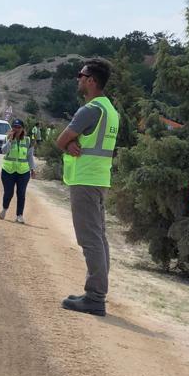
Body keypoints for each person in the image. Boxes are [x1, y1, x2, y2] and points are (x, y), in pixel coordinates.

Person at [56, 58, 119, 317]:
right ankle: (95, 293)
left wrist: (68, 144)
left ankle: (95, 297)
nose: (78, 79)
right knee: (99, 238)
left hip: (85, 179)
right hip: (100, 179)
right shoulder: (111, 110)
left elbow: (61, 140)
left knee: (89, 239)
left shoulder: (90, 109)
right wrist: (71, 143)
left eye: (80, 75)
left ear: (91, 80)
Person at [0, 119, 34, 223]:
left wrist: (32, 169)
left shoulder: (28, 140)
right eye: (14, 126)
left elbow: (30, 156)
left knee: (21, 193)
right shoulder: (7, 138)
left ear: (23, 128)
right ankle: (5, 209)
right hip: (8, 170)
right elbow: (3, 151)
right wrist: (10, 140)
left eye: (19, 127)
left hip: (23, 172)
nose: (16, 129)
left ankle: (19, 215)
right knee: (8, 192)